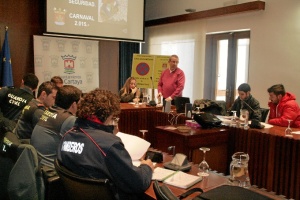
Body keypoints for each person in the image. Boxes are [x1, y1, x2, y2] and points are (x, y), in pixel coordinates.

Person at [57, 89, 154, 199]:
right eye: (114, 117)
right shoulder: (109, 144)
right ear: (108, 115)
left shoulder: (66, 136)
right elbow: (138, 183)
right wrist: (147, 167)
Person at [30, 85, 82, 167]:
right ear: (74, 104)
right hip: (51, 169)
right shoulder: (69, 120)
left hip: (38, 164)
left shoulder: (49, 111)